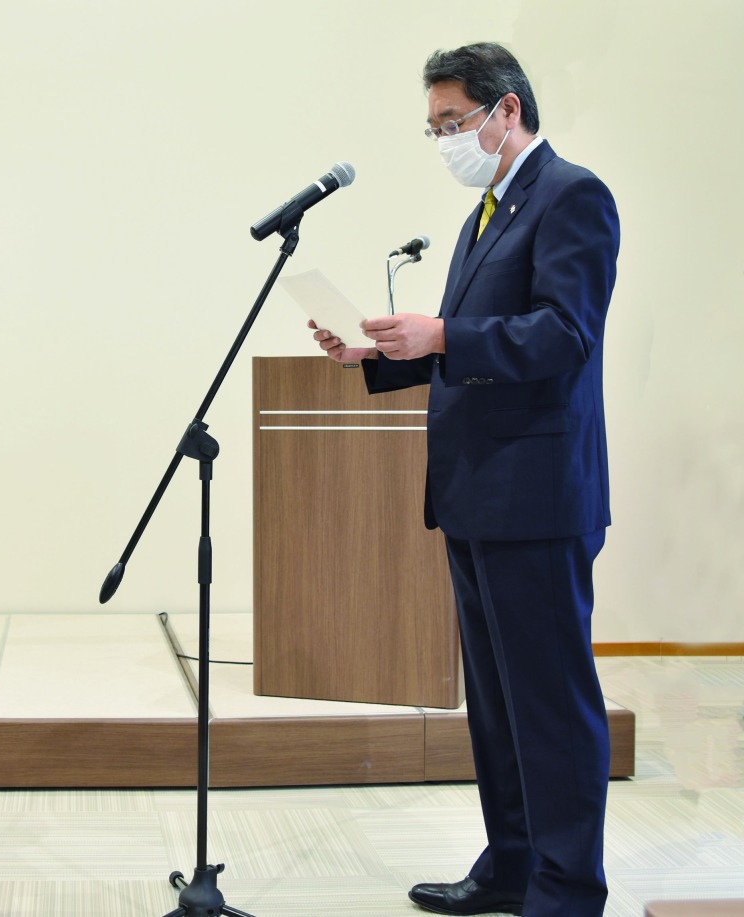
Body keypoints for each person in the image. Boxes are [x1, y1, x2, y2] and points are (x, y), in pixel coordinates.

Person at [312, 42, 619, 917]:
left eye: (455, 122)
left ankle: (567, 887)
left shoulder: (573, 197)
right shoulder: (490, 208)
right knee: (495, 704)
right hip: (477, 492)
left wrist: (440, 334)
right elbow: (472, 341)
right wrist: (377, 354)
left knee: (550, 703)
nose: (445, 139)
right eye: (435, 127)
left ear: (508, 110)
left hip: (537, 494)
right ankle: (514, 861)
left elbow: (562, 335)